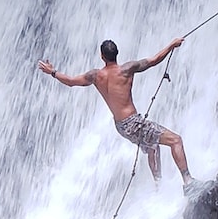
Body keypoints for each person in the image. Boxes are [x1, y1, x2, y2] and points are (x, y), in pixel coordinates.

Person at [38, 37, 191, 189]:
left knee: (152, 145)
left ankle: (159, 186)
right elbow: (154, 60)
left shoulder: (95, 76)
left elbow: (70, 81)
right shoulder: (127, 69)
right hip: (133, 123)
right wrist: (171, 45)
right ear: (117, 53)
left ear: (101, 56)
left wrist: (53, 72)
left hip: (120, 126)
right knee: (175, 140)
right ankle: (188, 182)